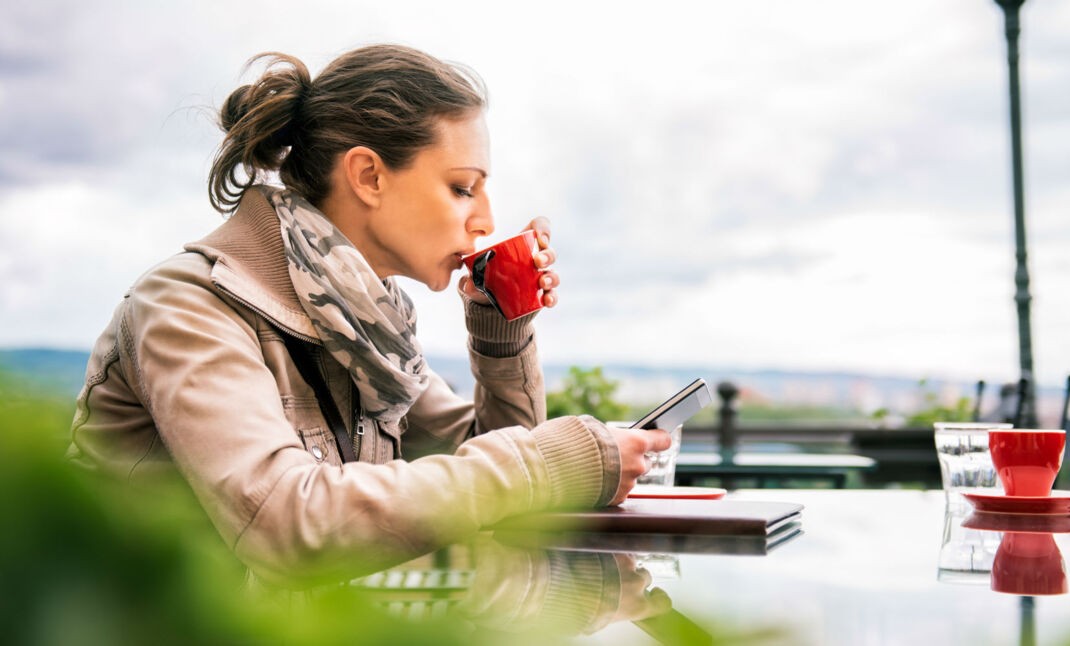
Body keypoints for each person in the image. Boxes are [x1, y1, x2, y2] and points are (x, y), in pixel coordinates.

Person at [66, 44, 671, 587]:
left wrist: (502, 332)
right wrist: (550, 463)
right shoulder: (189, 306)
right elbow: (287, 524)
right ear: (368, 176)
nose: (486, 220)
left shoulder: (368, 331)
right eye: (463, 188)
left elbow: (491, 471)